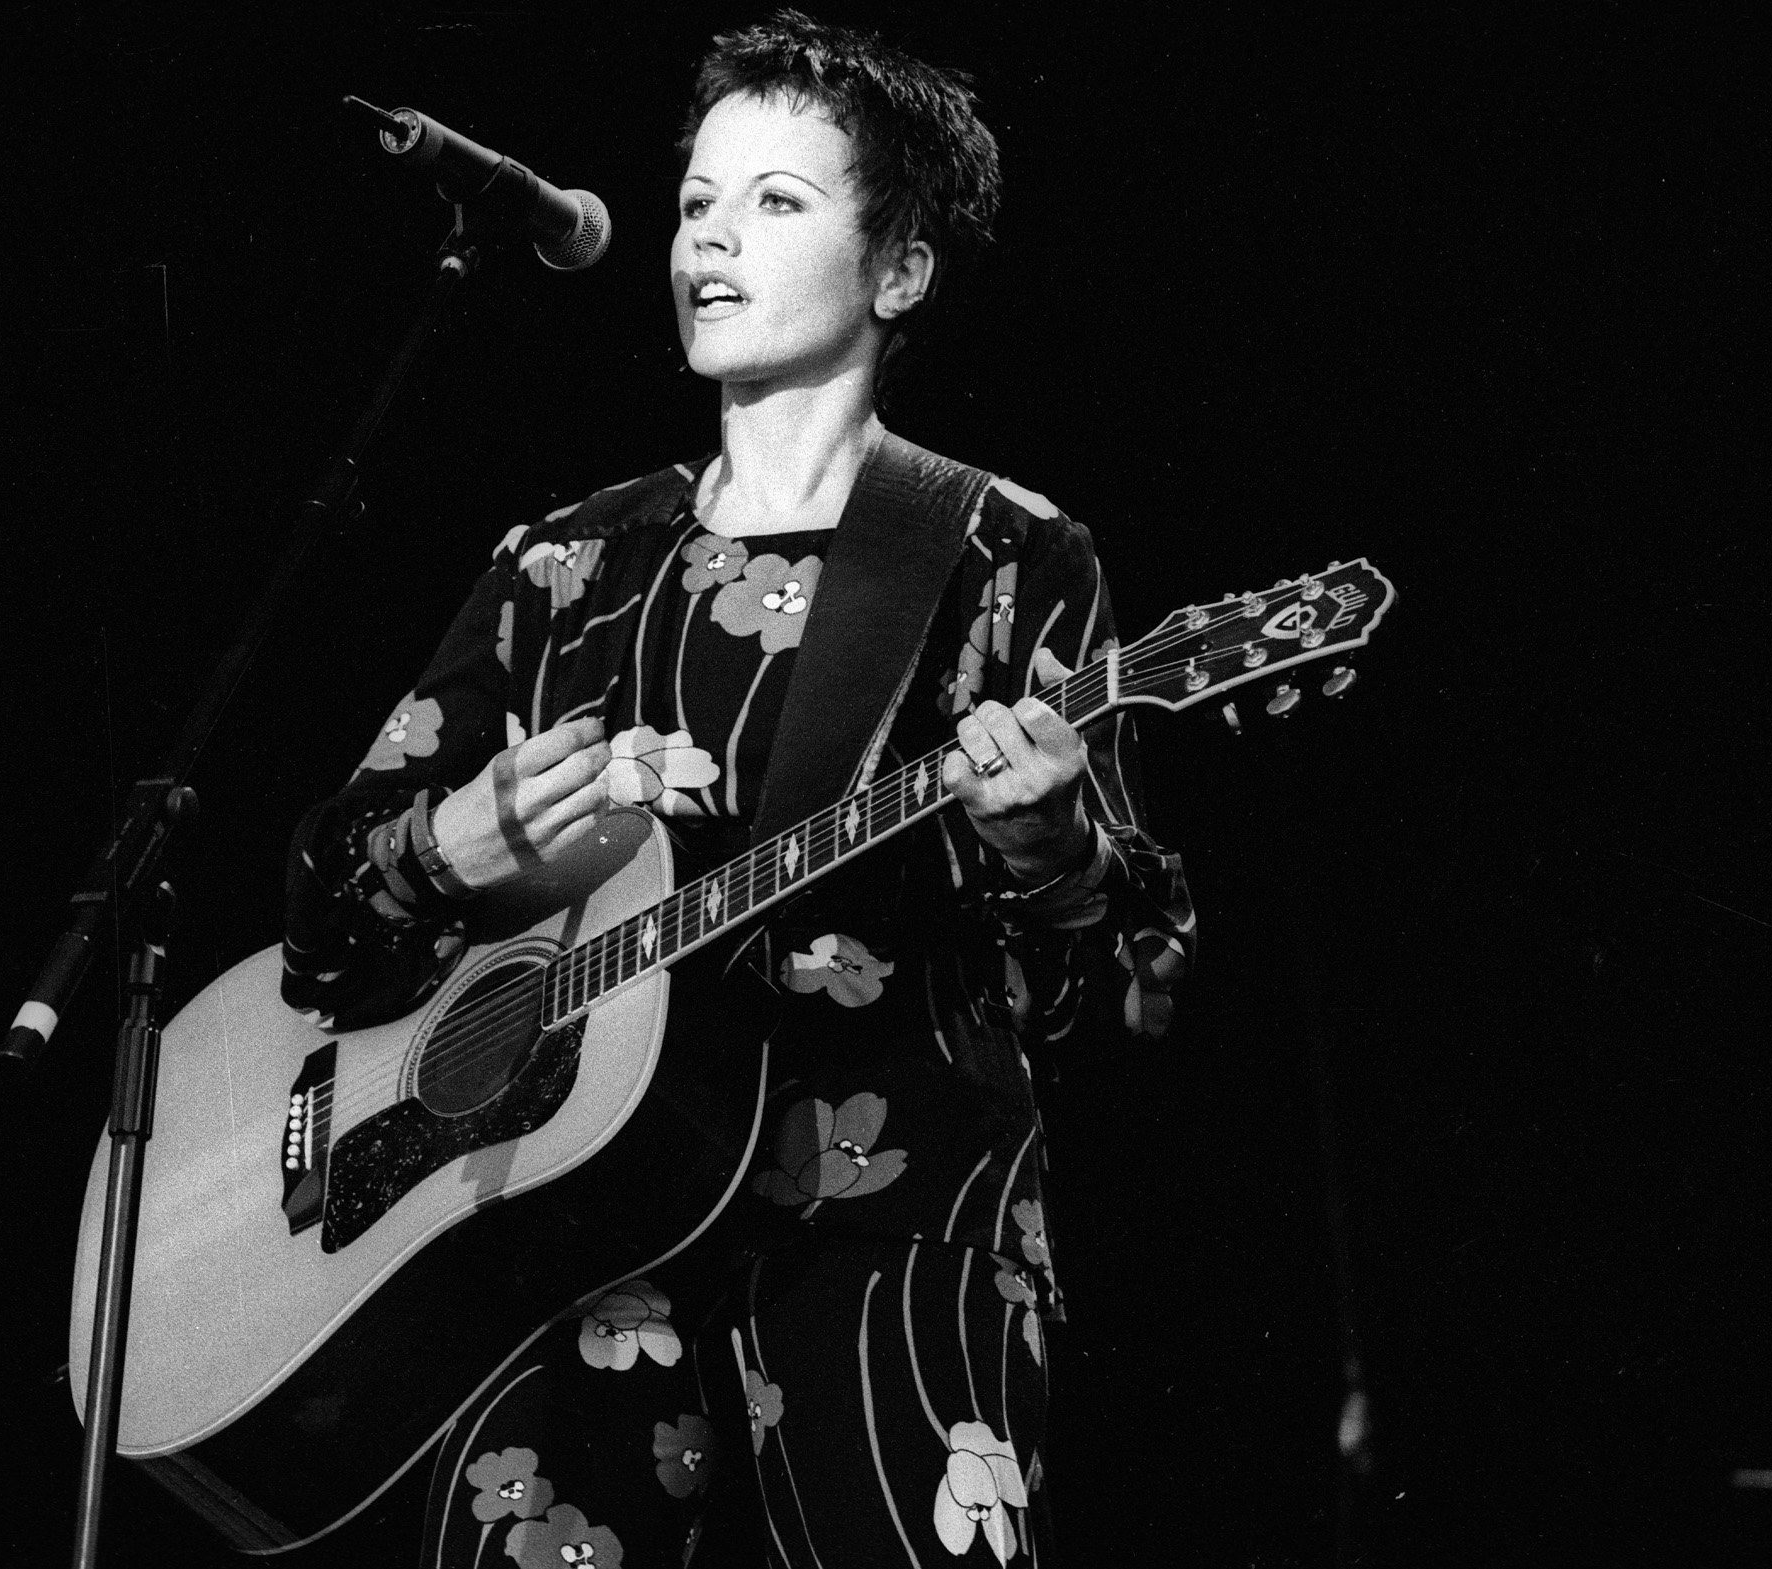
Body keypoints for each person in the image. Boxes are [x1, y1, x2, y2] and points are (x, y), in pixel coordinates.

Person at [282, 13, 1193, 1564]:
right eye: (700, 200)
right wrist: (449, 843)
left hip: (884, 1234)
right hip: (564, 1261)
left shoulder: (1004, 552)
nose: (710, 232)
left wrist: (1053, 851)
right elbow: (319, 924)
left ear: (898, 271)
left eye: (776, 201)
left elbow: (1111, 993)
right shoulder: (563, 565)